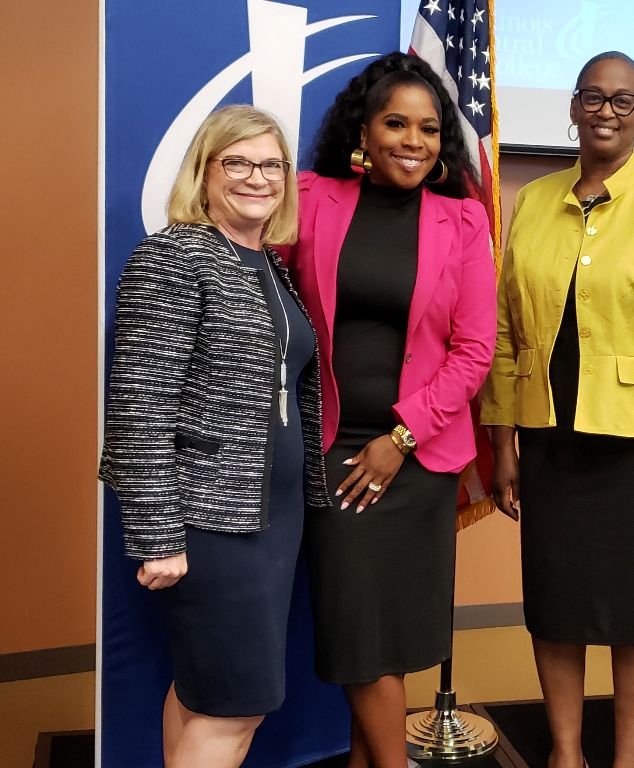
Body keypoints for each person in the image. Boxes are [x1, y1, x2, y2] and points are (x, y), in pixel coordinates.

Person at [480, 52, 634, 768]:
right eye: (593, 96)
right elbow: (506, 329)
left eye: (623, 100)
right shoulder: (533, 200)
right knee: (554, 603)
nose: (606, 111)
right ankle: (564, 751)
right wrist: (502, 444)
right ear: (573, 107)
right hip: (548, 441)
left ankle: (628, 755)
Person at [274, 52, 497, 768]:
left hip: (418, 456)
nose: (414, 141)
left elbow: (475, 349)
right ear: (363, 131)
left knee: (389, 637)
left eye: (429, 129)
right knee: (360, 636)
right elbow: (259, 294)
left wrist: (402, 438)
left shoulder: (463, 220)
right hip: (334, 448)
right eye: (396, 123)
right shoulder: (310, 198)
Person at [99, 105, 329, 768]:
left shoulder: (268, 264)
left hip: (272, 521)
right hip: (211, 524)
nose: (258, 178)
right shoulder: (175, 256)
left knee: (206, 691)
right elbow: (139, 406)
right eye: (238, 162)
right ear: (203, 172)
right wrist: (159, 537)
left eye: (272, 165)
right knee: (234, 704)